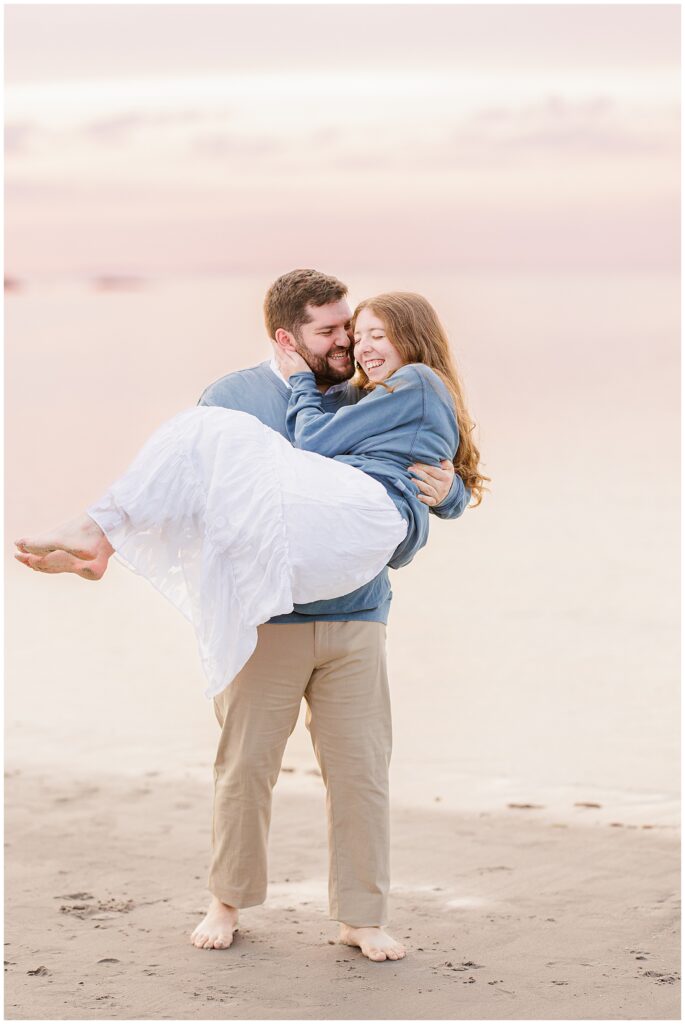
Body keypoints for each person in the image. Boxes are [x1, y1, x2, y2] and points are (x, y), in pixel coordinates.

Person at [15, 270, 487, 962]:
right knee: (245, 769)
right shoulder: (232, 400)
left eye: (351, 329)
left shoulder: (365, 389)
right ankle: (227, 901)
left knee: (360, 772)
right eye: (331, 331)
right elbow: (190, 492)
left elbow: (425, 465)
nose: (346, 344)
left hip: (358, 618)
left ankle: (362, 915)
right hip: (267, 621)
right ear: (285, 336)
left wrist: (446, 497)